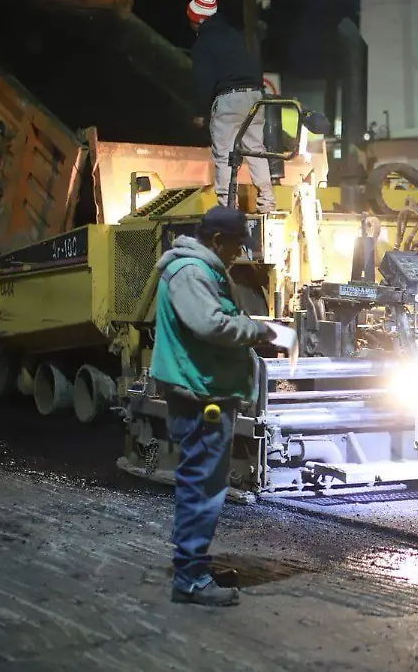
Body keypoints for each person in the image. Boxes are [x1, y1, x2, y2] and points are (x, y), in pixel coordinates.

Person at [150, 206, 288, 606]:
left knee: (200, 483)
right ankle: (190, 578)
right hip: (199, 396)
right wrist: (264, 331)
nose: (237, 254)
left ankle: (191, 566)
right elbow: (211, 324)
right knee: (201, 487)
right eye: (234, 246)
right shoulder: (192, 272)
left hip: (204, 390)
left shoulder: (200, 268)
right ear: (216, 240)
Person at [187, 0, 277, 214]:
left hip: (228, 99)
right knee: (256, 150)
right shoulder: (236, 36)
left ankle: (229, 209)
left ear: (197, 19)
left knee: (226, 155)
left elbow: (203, 80)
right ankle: (267, 203)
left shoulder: (203, 43)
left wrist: (200, 113)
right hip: (255, 97)